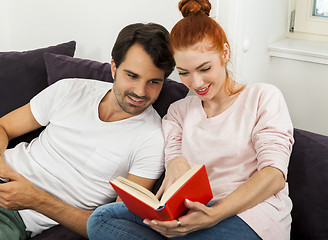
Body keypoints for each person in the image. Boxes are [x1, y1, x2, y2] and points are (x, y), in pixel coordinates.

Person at [86, 0, 294, 239]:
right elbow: (175, 162)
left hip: (250, 216)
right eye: (184, 73)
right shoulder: (177, 112)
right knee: (102, 218)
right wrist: (174, 163)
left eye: (205, 68)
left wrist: (213, 216)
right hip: (191, 213)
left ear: (224, 53)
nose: (196, 84)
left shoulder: (262, 97)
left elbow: (274, 175)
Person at [0, 22, 175, 239]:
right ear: (114, 67)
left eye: (154, 82)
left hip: (10, 217)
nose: (140, 91)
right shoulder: (71, 89)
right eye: (132, 76)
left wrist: (35, 199)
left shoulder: (152, 140)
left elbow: (114, 228)